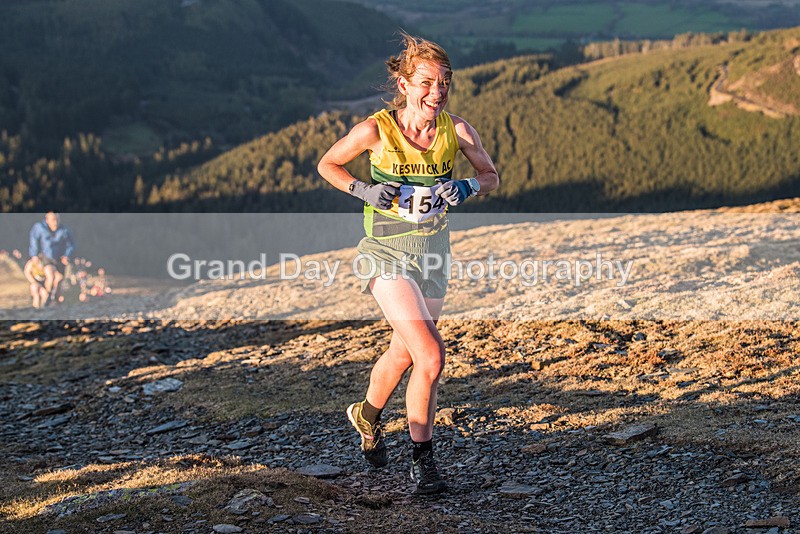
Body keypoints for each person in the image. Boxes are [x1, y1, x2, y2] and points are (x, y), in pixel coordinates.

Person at [317, 33, 499, 494]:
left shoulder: (457, 131)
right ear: (403, 83)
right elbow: (328, 165)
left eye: (444, 84)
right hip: (385, 255)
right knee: (432, 356)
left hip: (433, 255)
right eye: (426, 83)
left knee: (405, 352)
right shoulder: (376, 130)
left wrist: (465, 188)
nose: (436, 93)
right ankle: (424, 459)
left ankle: (366, 415)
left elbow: (490, 176)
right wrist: (364, 190)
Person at [27, 211, 75, 307]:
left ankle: (53, 298)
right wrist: (34, 255)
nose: (55, 222)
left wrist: (67, 255)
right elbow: (34, 240)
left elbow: (70, 244)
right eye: (53, 220)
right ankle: (47, 297)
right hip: (46, 258)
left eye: (57, 219)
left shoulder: (64, 230)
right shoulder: (39, 228)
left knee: (59, 279)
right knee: (50, 275)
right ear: (47, 220)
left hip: (59, 259)